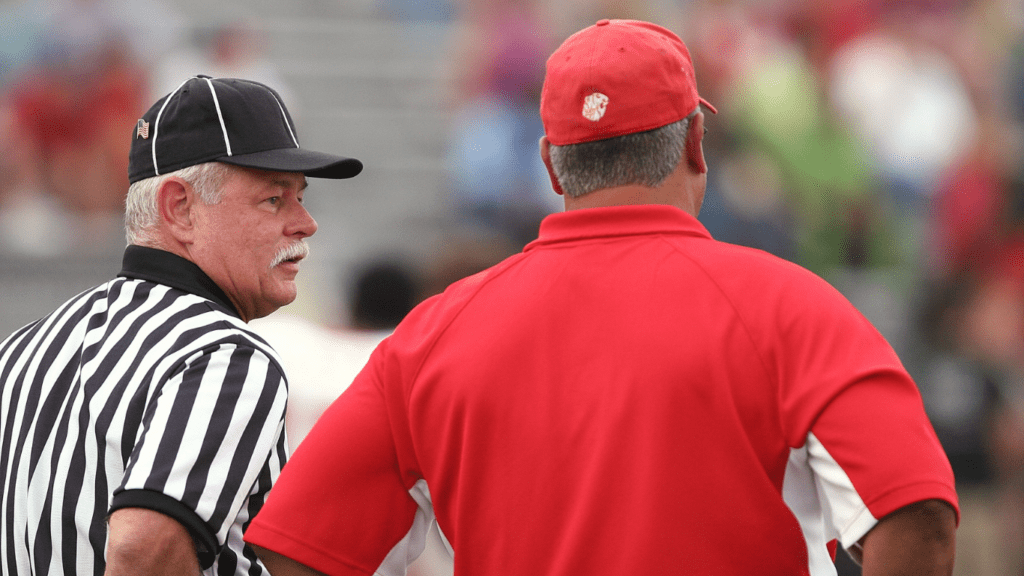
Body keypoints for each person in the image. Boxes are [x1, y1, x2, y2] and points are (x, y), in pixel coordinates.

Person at [243, 20, 958, 576]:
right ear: (696, 144)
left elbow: (296, 549)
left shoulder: (434, 334)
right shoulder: (791, 308)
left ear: (553, 165)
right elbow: (914, 507)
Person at [0, 74, 362, 576]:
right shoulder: (223, 355)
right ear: (180, 207)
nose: (305, 222)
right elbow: (142, 550)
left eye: (301, 196)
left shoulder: (18, 350)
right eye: (274, 199)